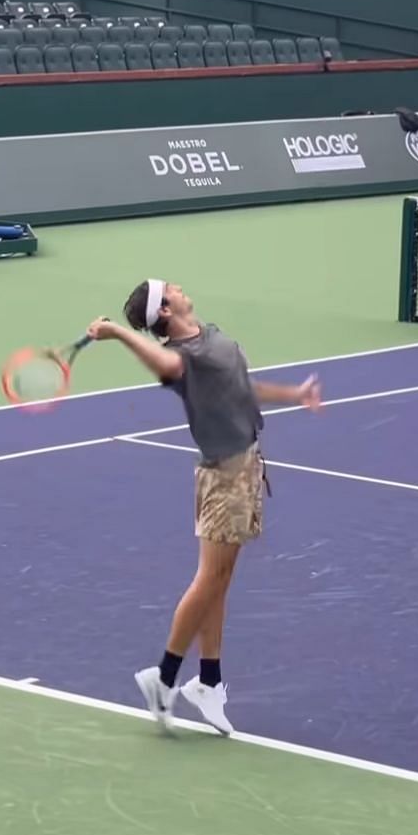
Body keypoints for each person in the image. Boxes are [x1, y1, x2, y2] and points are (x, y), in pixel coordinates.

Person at [87, 281, 320, 736]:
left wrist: (292, 395)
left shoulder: (209, 339)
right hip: (224, 477)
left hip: (246, 467)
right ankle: (165, 675)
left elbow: (241, 389)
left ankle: (208, 682)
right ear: (167, 310)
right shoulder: (182, 359)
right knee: (210, 579)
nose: (178, 286)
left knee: (219, 581)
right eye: (169, 288)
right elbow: (163, 362)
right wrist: (118, 334)